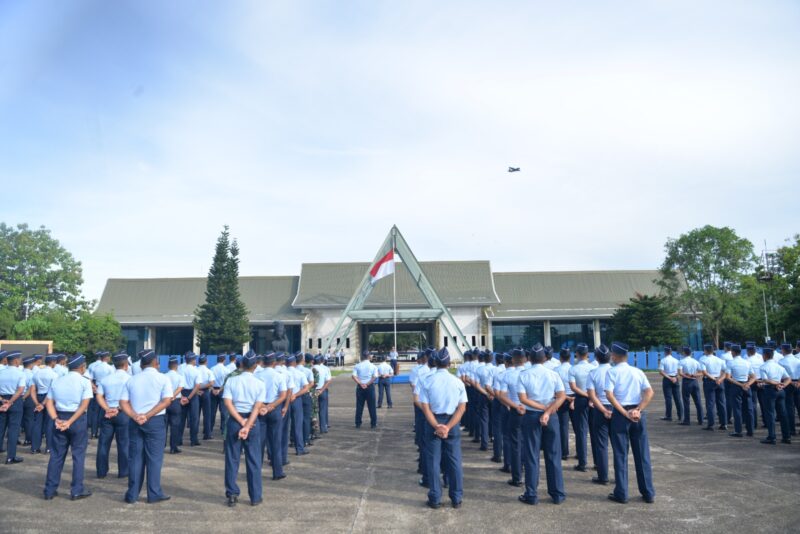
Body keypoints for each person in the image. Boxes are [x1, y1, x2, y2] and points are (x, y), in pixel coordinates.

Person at [119, 350, 173, 504]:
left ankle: (132, 494)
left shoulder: (132, 380)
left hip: (135, 421)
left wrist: (135, 416)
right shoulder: (163, 378)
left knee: (135, 458)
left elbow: (123, 402)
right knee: (154, 459)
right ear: (156, 363)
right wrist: (147, 415)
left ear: (142, 364)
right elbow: (166, 401)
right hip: (155, 421)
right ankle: (154, 493)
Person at [604, 342, 655, 505]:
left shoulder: (612, 372)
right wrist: (638, 409)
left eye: (612, 354)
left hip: (621, 415)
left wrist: (624, 412)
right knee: (642, 455)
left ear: (615, 356)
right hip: (638, 414)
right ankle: (648, 492)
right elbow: (649, 392)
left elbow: (610, 395)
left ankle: (622, 493)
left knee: (620, 455)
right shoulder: (637, 371)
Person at [516, 343, 566, 505]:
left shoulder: (524, 375)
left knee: (532, 456)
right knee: (553, 455)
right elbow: (561, 396)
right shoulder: (553, 374)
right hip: (551, 416)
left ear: (529, 358)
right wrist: (547, 410)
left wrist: (542, 409)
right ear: (544, 358)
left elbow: (523, 399)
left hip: (531, 416)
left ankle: (531, 494)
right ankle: (557, 494)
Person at [418, 348, 466, 509]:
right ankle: (456, 497)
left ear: (435, 363)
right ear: (449, 363)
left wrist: (436, 426)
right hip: (452, 421)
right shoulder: (457, 382)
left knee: (433, 461)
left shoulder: (427, 381)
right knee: (454, 460)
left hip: (433, 421)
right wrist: (448, 427)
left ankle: (435, 498)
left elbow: (425, 408)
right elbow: (462, 408)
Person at [42, 354, 93, 500]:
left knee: (56, 455)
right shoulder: (84, 382)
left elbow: (49, 402)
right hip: (77, 419)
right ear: (82, 367)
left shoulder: (57, 381)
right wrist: (70, 421)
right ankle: (76, 489)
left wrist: (55, 419)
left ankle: (49, 490)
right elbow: (84, 405)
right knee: (78, 456)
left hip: (60, 418)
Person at [222, 351, 265, 507]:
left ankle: (232, 494)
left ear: (241, 364)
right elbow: (257, 407)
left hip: (235, 419)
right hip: (252, 421)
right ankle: (255, 496)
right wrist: (247, 425)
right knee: (253, 459)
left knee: (232, 459)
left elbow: (227, 403)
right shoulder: (259, 383)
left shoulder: (232, 381)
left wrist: (241, 421)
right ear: (255, 366)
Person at [95, 351, 131, 479]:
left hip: (107, 414)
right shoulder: (130, 379)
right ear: (126, 365)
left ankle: (101, 471)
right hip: (123, 413)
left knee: (103, 444)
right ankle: (123, 471)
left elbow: (99, 396)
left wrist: (108, 409)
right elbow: (132, 398)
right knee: (124, 444)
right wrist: (118, 408)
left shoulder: (106, 379)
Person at [255, 353, 288, 480]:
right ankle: (277, 472)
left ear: (263, 362)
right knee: (276, 441)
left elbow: (254, 393)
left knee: (259, 443)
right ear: (274, 362)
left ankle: (256, 472)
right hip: (274, 409)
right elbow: (283, 395)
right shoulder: (278, 376)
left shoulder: (257, 375)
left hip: (260, 408)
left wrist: (264, 406)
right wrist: (271, 406)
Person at [586, 344, 613, 485]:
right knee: (618, 445)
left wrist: (602, 409)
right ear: (610, 357)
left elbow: (591, 395)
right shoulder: (615, 371)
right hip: (616, 408)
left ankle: (603, 476)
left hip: (600, 408)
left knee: (601, 444)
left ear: (596, 358)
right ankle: (621, 477)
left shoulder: (593, 373)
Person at [499, 348, 525, 488]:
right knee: (529, 444)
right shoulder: (529, 373)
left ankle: (517, 477)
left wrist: (515, 406)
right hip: (531, 411)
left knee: (515, 444)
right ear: (525, 359)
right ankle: (529, 473)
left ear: (513, 360)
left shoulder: (508, 375)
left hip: (516, 411)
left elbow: (502, 395)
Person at [758, 347, 791, 445]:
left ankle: (772, 437)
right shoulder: (779, 366)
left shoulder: (763, 367)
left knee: (770, 414)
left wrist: (776, 383)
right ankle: (786, 436)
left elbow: (765, 380)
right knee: (783, 414)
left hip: (770, 390)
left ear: (765, 355)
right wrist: (782, 385)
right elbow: (788, 378)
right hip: (780, 390)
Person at [568, 343, 593, 472]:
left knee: (581, 431)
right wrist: (591, 396)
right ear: (588, 354)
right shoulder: (594, 368)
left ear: (576, 354)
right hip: (594, 400)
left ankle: (582, 463)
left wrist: (586, 395)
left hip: (581, 400)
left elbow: (573, 387)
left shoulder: (573, 369)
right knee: (595, 433)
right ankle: (598, 463)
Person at [0, 351, 26, 464]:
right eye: (19, 359)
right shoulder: (20, 373)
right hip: (15, 401)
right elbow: (20, 390)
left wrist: (2, 400)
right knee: (13, 429)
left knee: (1, 428)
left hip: (2, 400)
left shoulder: (1, 372)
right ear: (15, 361)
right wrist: (10, 402)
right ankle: (10, 457)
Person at [725, 344, 756, 438]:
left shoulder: (730, 363)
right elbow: (754, 377)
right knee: (749, 409)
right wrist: (747, 384)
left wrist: (740, 385)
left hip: (736, 386)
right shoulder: (747, 362)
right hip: (747, 386)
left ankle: (738, 431)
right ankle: (750, 430)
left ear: (733, 352)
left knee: (737, 409)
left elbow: (728, 377)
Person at [31, 354, 59, 454]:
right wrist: (43, 404)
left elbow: (33, 390)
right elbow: (52, 390)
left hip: (38, 397)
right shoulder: (54, 374)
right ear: (52, 362)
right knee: (49, 424)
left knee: (37, 424)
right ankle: (49, 447)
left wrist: (37, 403)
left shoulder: (37, 373)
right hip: (48, 399)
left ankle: (35, 447)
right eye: (55, 361)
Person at [286, 353, 310, 455]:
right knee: (297, 425)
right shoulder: (300, 373)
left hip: (284, 400)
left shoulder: (283, 373)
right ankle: (299, 448)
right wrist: (295, 395)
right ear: (294, 362)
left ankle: (282, 453)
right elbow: (306, 388)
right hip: (296, 399)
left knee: (284, 427)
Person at [699, 344, 727, 431]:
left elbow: (704, 372)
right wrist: (720, 379)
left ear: (705, 351)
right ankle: (724, 424)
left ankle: (711, 425)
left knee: (710, 404)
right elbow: (726, 372)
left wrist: (714, 379)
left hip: (709, 381)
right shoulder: (720, 360)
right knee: (721, 403)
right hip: (720, 381)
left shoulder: (703, 359)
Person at [179, 353, 203, 447]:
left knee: (181, 418)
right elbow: (197, 386)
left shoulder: (181, 370)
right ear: (193, 360)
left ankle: (178, 439)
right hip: (193, 395)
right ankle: (193, 440)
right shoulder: (196, 371)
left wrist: (182, 396)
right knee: (194, 418)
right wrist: (189, 397)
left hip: (183, 392)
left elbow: (178, 385)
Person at [352, 350, 378, 429]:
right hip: (369, 386)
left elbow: (354, 376)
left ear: (362, 356)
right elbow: (375, 377)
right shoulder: (373, 366)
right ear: (369, 356)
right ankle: (373, 423)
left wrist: (360, 383)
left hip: (360, 387)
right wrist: (367, 384)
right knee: (372, 406)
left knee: (359, 406)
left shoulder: (357, 365)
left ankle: (358, 423)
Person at [555, 348, 573, 461]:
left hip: (561, 399)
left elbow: (555, 389)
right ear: (570, 357)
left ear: (560, 358)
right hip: (574, 398)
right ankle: (581, 455)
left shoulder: (556, 370)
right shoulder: (573, 368)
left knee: (563, 426)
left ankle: (564, 452)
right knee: (579, 428)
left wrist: (565, 397)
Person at [164, 356, 185, 454]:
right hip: (175, 401)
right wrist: (173, 396)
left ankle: (162, 445)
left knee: (164, 425)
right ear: (177, 366)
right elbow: (180, 388)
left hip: (164, 402)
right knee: (175, 425)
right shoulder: (180, 377)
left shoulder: (164, 376)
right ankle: (173, 447)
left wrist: (168, 396)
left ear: (168, 366)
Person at [778, 343, 800, 435]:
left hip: (787, 384)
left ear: (783, 350)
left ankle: (792, 429)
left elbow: (782, 376)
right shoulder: (798, 360)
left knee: (789, 408)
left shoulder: (781, 362)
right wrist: (798, 382)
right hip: (798, 383)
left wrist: (790, 382)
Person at [678, 347, 703, 426]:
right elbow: (701, 373)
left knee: (686, 401)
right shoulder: (695, 361)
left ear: (684, 353)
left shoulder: (681, 361)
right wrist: (693, 375)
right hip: (695, 381)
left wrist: (687, 376)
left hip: (686, 382)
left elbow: (680, 373)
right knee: (698, 401)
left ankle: (687, 420)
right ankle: (700, 419)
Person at [489, 352, 507, 464]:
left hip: (498, 401)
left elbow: (492, 388)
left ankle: (498, 455)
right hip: (512, 403)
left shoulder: (496, 371)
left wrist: (495, 396)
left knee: (497, 428)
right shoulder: (516, 372)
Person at [657, 346, 682, 421]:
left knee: (668, 398)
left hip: (667, 379)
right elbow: (680, 372)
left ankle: (669, 416)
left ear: (665, 352)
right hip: (675, 379)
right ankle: (681, 416)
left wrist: (669, 378)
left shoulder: (663, 360)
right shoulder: (676, 360)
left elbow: (661, 372)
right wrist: (675, 378)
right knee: (678, 398)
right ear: (671, 352)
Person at [210, 354, 232, 437]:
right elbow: (227, 383)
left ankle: (210, 429)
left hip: (213, 390)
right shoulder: (226, 370)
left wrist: (213, 389)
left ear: (217, 360)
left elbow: (210, 381)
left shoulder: (212, 369)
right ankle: (223, 430)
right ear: (224, 360)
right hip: (222, 390)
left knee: (212, 411)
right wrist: (219, 390)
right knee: (223, 412)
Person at [746, 342, 766, 428]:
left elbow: (747, 374)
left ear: (748, 351)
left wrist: (754, 380)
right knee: (763, 403)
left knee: (753, 403)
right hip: (762, 381)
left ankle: (753, 423)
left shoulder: (747, 361)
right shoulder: (760, 359)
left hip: (753, 382)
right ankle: (766, 422)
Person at [197, 354, 215, 440]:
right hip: (206, 392)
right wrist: (203, 387)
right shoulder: (209, 371)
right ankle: (207, 434)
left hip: (196, 392)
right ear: (206, 361)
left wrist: (198, 388)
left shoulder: (195, 370)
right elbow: (211, 383)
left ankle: (195, 434)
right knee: (207, 414)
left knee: (196, 415)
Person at [312, 355, 332, 433]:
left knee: (313, 411)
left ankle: (313, 429)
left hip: (313, 391)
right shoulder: (324, 369)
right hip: (322, 390)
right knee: (323, 409)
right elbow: (328, 380)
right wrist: (322, 390)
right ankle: (323, 427)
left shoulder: (311, 368)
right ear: (321, 361)